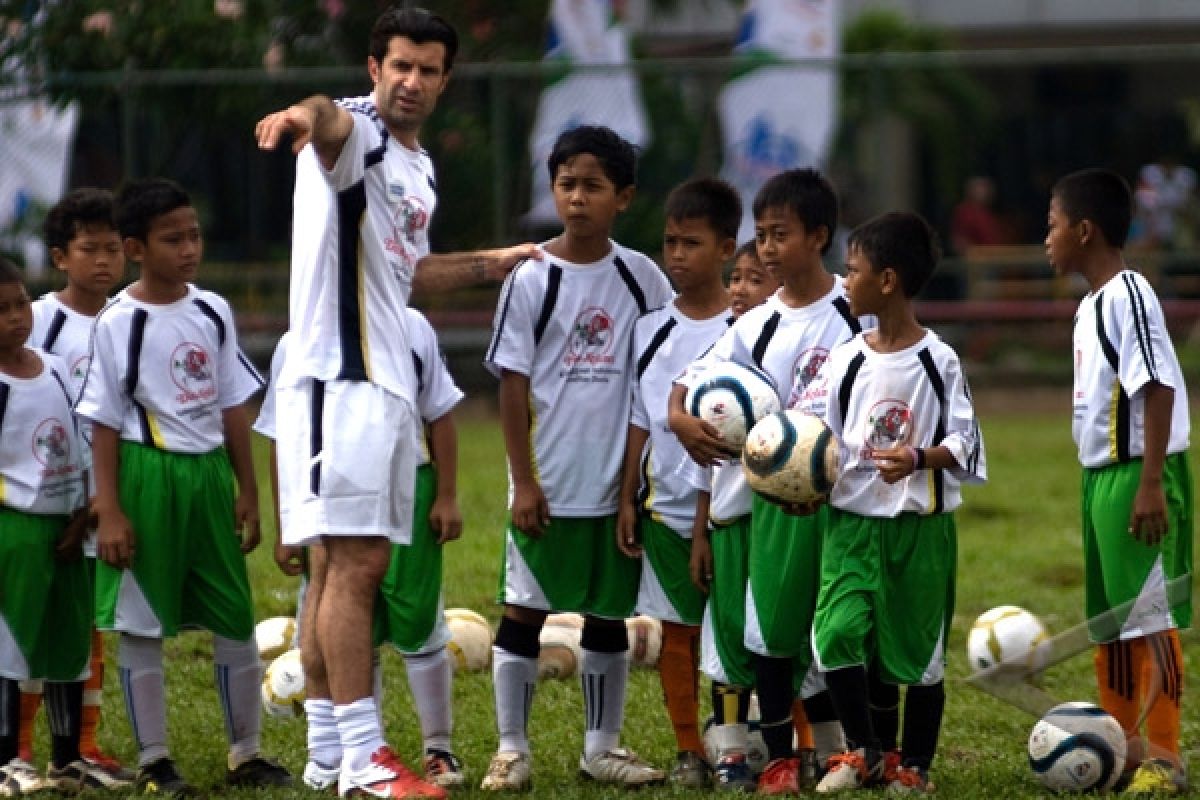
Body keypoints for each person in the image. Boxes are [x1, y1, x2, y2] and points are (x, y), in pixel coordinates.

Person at [254, 8, 538, 798]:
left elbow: (406, 272)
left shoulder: (417, 166)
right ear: (375, 67)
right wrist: (297, 116)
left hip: (380, 385)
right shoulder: (361, 134)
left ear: (446, 79)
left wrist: (495, 262)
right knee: (355, 564)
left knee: (337, 567)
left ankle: (329, 756)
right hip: (336, 380)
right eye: (399, 66)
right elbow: (325, 116)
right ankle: (367, 760)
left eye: (428, 70)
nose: (412, 82)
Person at [75, 178, 290, 795]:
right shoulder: (120, 321)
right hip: (149, 477)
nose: (188, 248)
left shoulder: (212, 309)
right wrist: (110, 509)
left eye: (193, 234)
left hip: (208, 478)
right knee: (143, 623)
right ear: (136, 247)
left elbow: (230, 404)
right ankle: (155, 761)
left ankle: (246, 753)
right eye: (173, 239)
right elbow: (104, 421)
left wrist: (247, 489)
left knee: (234, 616)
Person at [481, 124, 673, 791]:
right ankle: (511, 749)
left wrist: (633, 489)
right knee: (523, 612)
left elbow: (656, 380)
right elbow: (509, 383)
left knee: (608, 615)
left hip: (619, 485)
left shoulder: (643, 277)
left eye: (593, 186)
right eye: (567, 184)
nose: (578, 198)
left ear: (623, 196)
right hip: (550, 483)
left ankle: (601, 749)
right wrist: (524, 481)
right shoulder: (532, 276)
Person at [667, 167, 858, 794]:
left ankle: (841, 750)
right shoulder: (754, 325)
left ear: (819, 236)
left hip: (830, 506)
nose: (770, 247)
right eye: (763, 235)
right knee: (754, 632)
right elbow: (695, 383)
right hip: (757, 507)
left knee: (825, 633)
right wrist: (679, 417)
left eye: (782, 234)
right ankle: (756, 754)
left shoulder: (852, 316)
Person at [796, 211, 986, 794]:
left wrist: (919, 458)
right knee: (834, 634)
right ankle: (864, 751)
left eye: (851, 271)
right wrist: (803, 483)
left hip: (917, 529)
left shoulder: (939, 360)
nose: (842, 280)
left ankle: (916, 767)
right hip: (850, 523)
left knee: (917, 652)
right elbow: (817, 436)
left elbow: (967, 441)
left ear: (888, 281)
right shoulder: (847, 358)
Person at [254, 310, 467, 792]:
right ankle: (352, 750)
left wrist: (447, 494)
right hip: (330, 487)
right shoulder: (298, 341)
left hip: (409, 482)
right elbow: (280, 435)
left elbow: (440, 412)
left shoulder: (411, 326)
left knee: (418, 621)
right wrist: (288, 522)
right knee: (341, 618)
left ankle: (438, 747)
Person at [1044, 168, 1192, 795]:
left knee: (1148, 618)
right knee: (1111, 623)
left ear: (1084, 230)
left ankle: (1165, 755)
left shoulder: (1129, 293)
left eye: (1052, 226)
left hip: (1138, 474)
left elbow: (1156, 387)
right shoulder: (1091, 305)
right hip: (1100, 477)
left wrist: (1151, 482)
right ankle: (1122, 747)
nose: (1044, 239)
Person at [615, 177, 741, 788]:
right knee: (678, 631)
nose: (676, 256)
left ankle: (754, 744)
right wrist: (625, 498)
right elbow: (641, 416)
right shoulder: (649, 329)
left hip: (731, 512)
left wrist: (707, 523)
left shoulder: (746, 329)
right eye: (669, 242)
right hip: (662, 507)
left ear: (726, 249)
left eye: (692, 243)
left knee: (742, 632)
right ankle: (691, 749)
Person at [19, 187, 135, 790]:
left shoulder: (130, 318)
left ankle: (81, 748)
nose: (102, 261)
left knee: (86, 627)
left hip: (103, 499)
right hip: (40, 498)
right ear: (61, 257)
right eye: (89, 249)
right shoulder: (36, 319)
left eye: (113, 249)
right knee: (28, 624)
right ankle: (17, 753)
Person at [678, 240, 781, 792]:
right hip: (727, 523)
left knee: (779, 633)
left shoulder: (783, 353)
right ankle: (732, 750)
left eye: (754, 279)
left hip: (779, 524)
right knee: (725, 641)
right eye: (735, 278)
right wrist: (700, 533)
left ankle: (806, 746)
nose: (739, 289)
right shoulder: (718, 366)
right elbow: (704, 464)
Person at [0, 256, 94, 794]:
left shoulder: (54, 366)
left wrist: (86, 510)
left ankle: (66, 758)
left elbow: (80, 441)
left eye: (20, 304)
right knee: (11, 643)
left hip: (68, 524)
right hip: (16, 527)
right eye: (3, 309)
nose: (17, 317)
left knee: (67, 642)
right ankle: (8, 756)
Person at [949, 176, 1003, 254]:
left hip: (992, 259)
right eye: (981, 188)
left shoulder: (986, 213)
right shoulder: (964, 212)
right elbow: (959, 242)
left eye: (986, 188)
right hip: (976, 261)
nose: (986, 191)